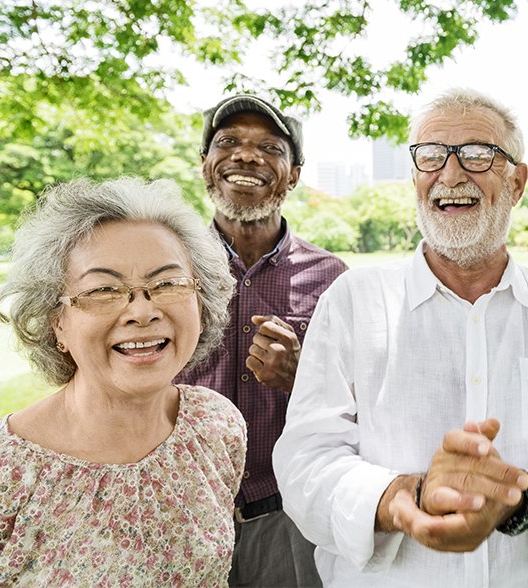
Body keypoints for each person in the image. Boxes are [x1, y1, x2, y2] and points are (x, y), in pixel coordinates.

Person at [271, 88, 528, 587]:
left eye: (477, 154)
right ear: (414, 179)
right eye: (431, 156)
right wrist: (403, 499)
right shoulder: (354, 301)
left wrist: (522, 497)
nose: (450, 174)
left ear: (517, 182)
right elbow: (305, 461)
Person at [0, 178, 245, 585]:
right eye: (103, 290)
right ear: (57, 321)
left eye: (167, 284)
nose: (141, 311)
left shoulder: (215, 426)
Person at [175, 93, 347, 587]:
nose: (246, 156)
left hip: (289, 516)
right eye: (227, 142)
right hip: (182, 509)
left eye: (269, 147)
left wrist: (302, 376)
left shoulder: (332, 277)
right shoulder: (168, 267)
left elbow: (364, 407)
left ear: (293, 174)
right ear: (205, 165)